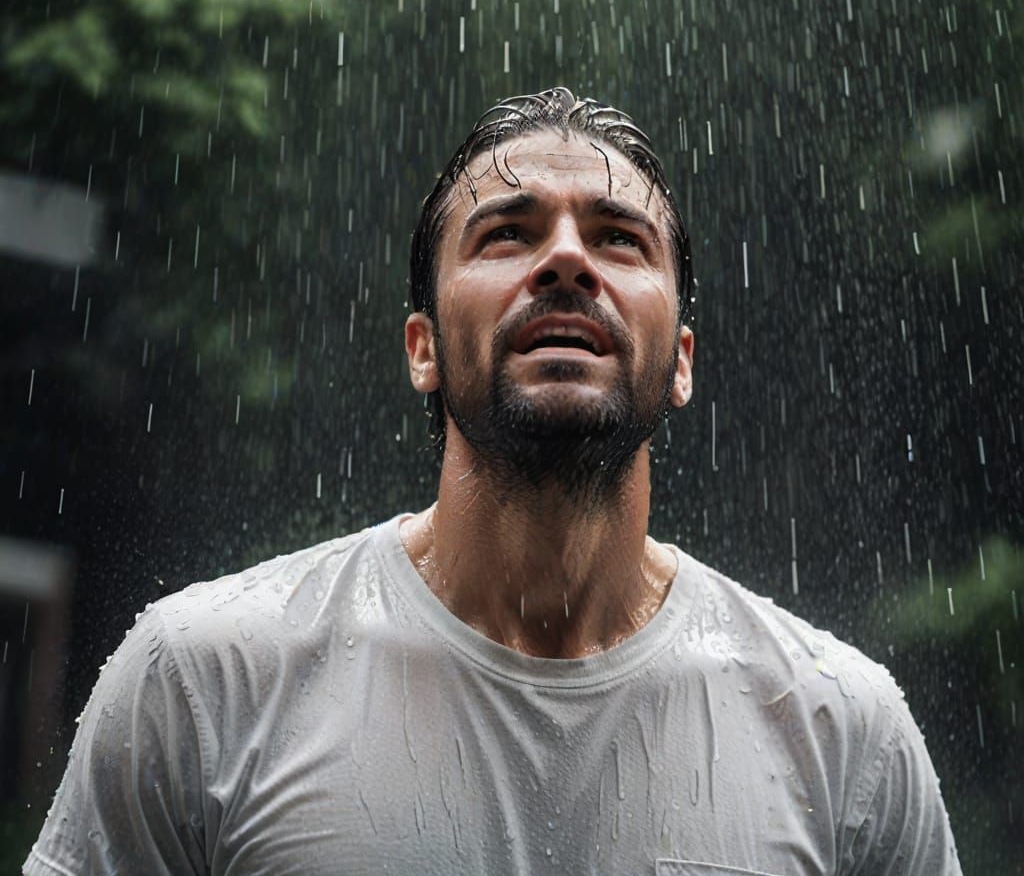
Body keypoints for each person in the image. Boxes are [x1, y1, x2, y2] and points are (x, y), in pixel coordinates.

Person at [26, 88, 961, 875]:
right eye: (507, 234)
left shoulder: (841, 731)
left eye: (620, 238)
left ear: (681, 362)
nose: (566, 258)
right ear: (422, 348)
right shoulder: (208, 681)